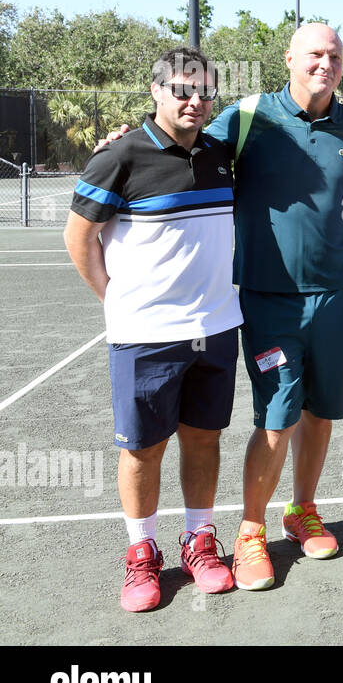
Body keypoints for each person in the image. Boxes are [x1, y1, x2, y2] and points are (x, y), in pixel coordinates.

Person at [205, 23, 343, 589]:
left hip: (336, 297)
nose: (325, 63)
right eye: (314, 54)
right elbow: (184, 149)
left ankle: (302, 511)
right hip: (270, 300)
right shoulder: (249, 116)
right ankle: (250, 531)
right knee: (277, 416)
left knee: (322, 411)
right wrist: (127, 139)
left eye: (334, 55)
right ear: (289, 59)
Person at [64, 46, 243, 611]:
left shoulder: (220, 153)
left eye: (205, 91)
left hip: (216, 326)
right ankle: (142, 554)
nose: (194, 101)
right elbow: (79, 238)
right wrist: (115, 301)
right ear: (156, 92)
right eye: (182, 90)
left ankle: (199, 540)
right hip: (145, 334)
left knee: (204, 438)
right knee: (143, 448)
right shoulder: (119, 156)